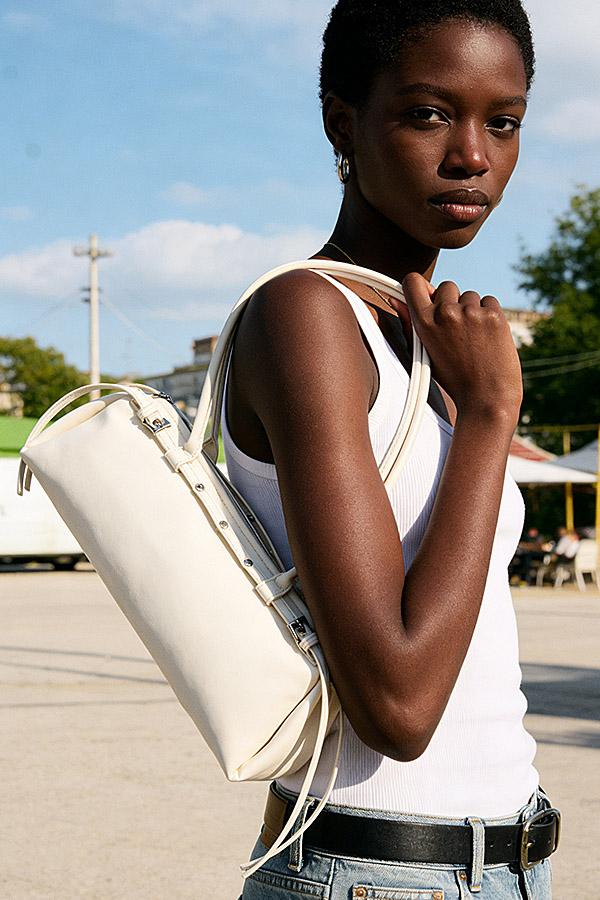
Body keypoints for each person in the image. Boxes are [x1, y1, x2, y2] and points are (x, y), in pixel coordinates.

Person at [223, 1, 559, 897]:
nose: (473, 156)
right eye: (428, 113)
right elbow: (398, 708)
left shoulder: (433, 344)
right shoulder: (307, 315)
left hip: (509, 860)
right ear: (344, 123)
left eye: (504, 122)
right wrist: (489, 417)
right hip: (378, 870)